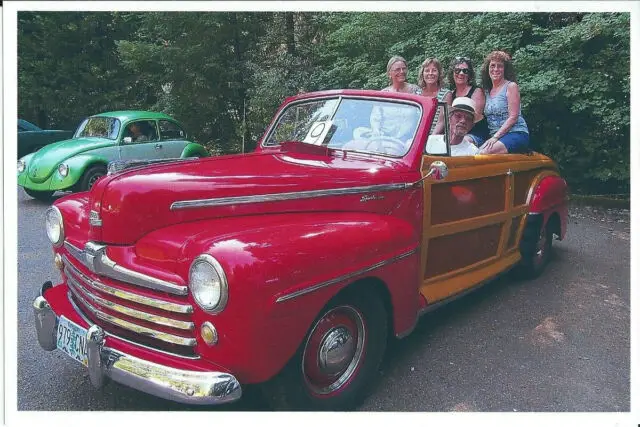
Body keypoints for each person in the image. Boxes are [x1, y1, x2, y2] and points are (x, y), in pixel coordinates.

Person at [479, 50, 529, 154]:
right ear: (487, 69)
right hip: (495, 137)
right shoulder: (487, 91)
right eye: (492, 66)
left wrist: (495, 137)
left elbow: (513, 117)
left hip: (515, 133)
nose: (496, 69)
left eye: (500, 66)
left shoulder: (511, 86)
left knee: (484, 153)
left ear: (505, 69)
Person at [448, 56, 489, 146]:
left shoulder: (477, 91)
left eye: (465, 71)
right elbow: (449, 119)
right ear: (452, 73)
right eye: (457, 70)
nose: (461, 73)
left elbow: (473, 121)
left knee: (462, 143)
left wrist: (456, 137)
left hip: (475, 133)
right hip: (456, 132)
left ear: (469, 75)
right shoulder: (451, 94)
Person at [417, 57, 452, 134]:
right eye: (427, 70)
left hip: (434, 137)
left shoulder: (446, 94)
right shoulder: (416, 93)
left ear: (439, 74)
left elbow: (441, 122)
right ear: (422, 74)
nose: (430, 73)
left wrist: (430, 139)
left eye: (434, 70)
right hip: (416, 135)